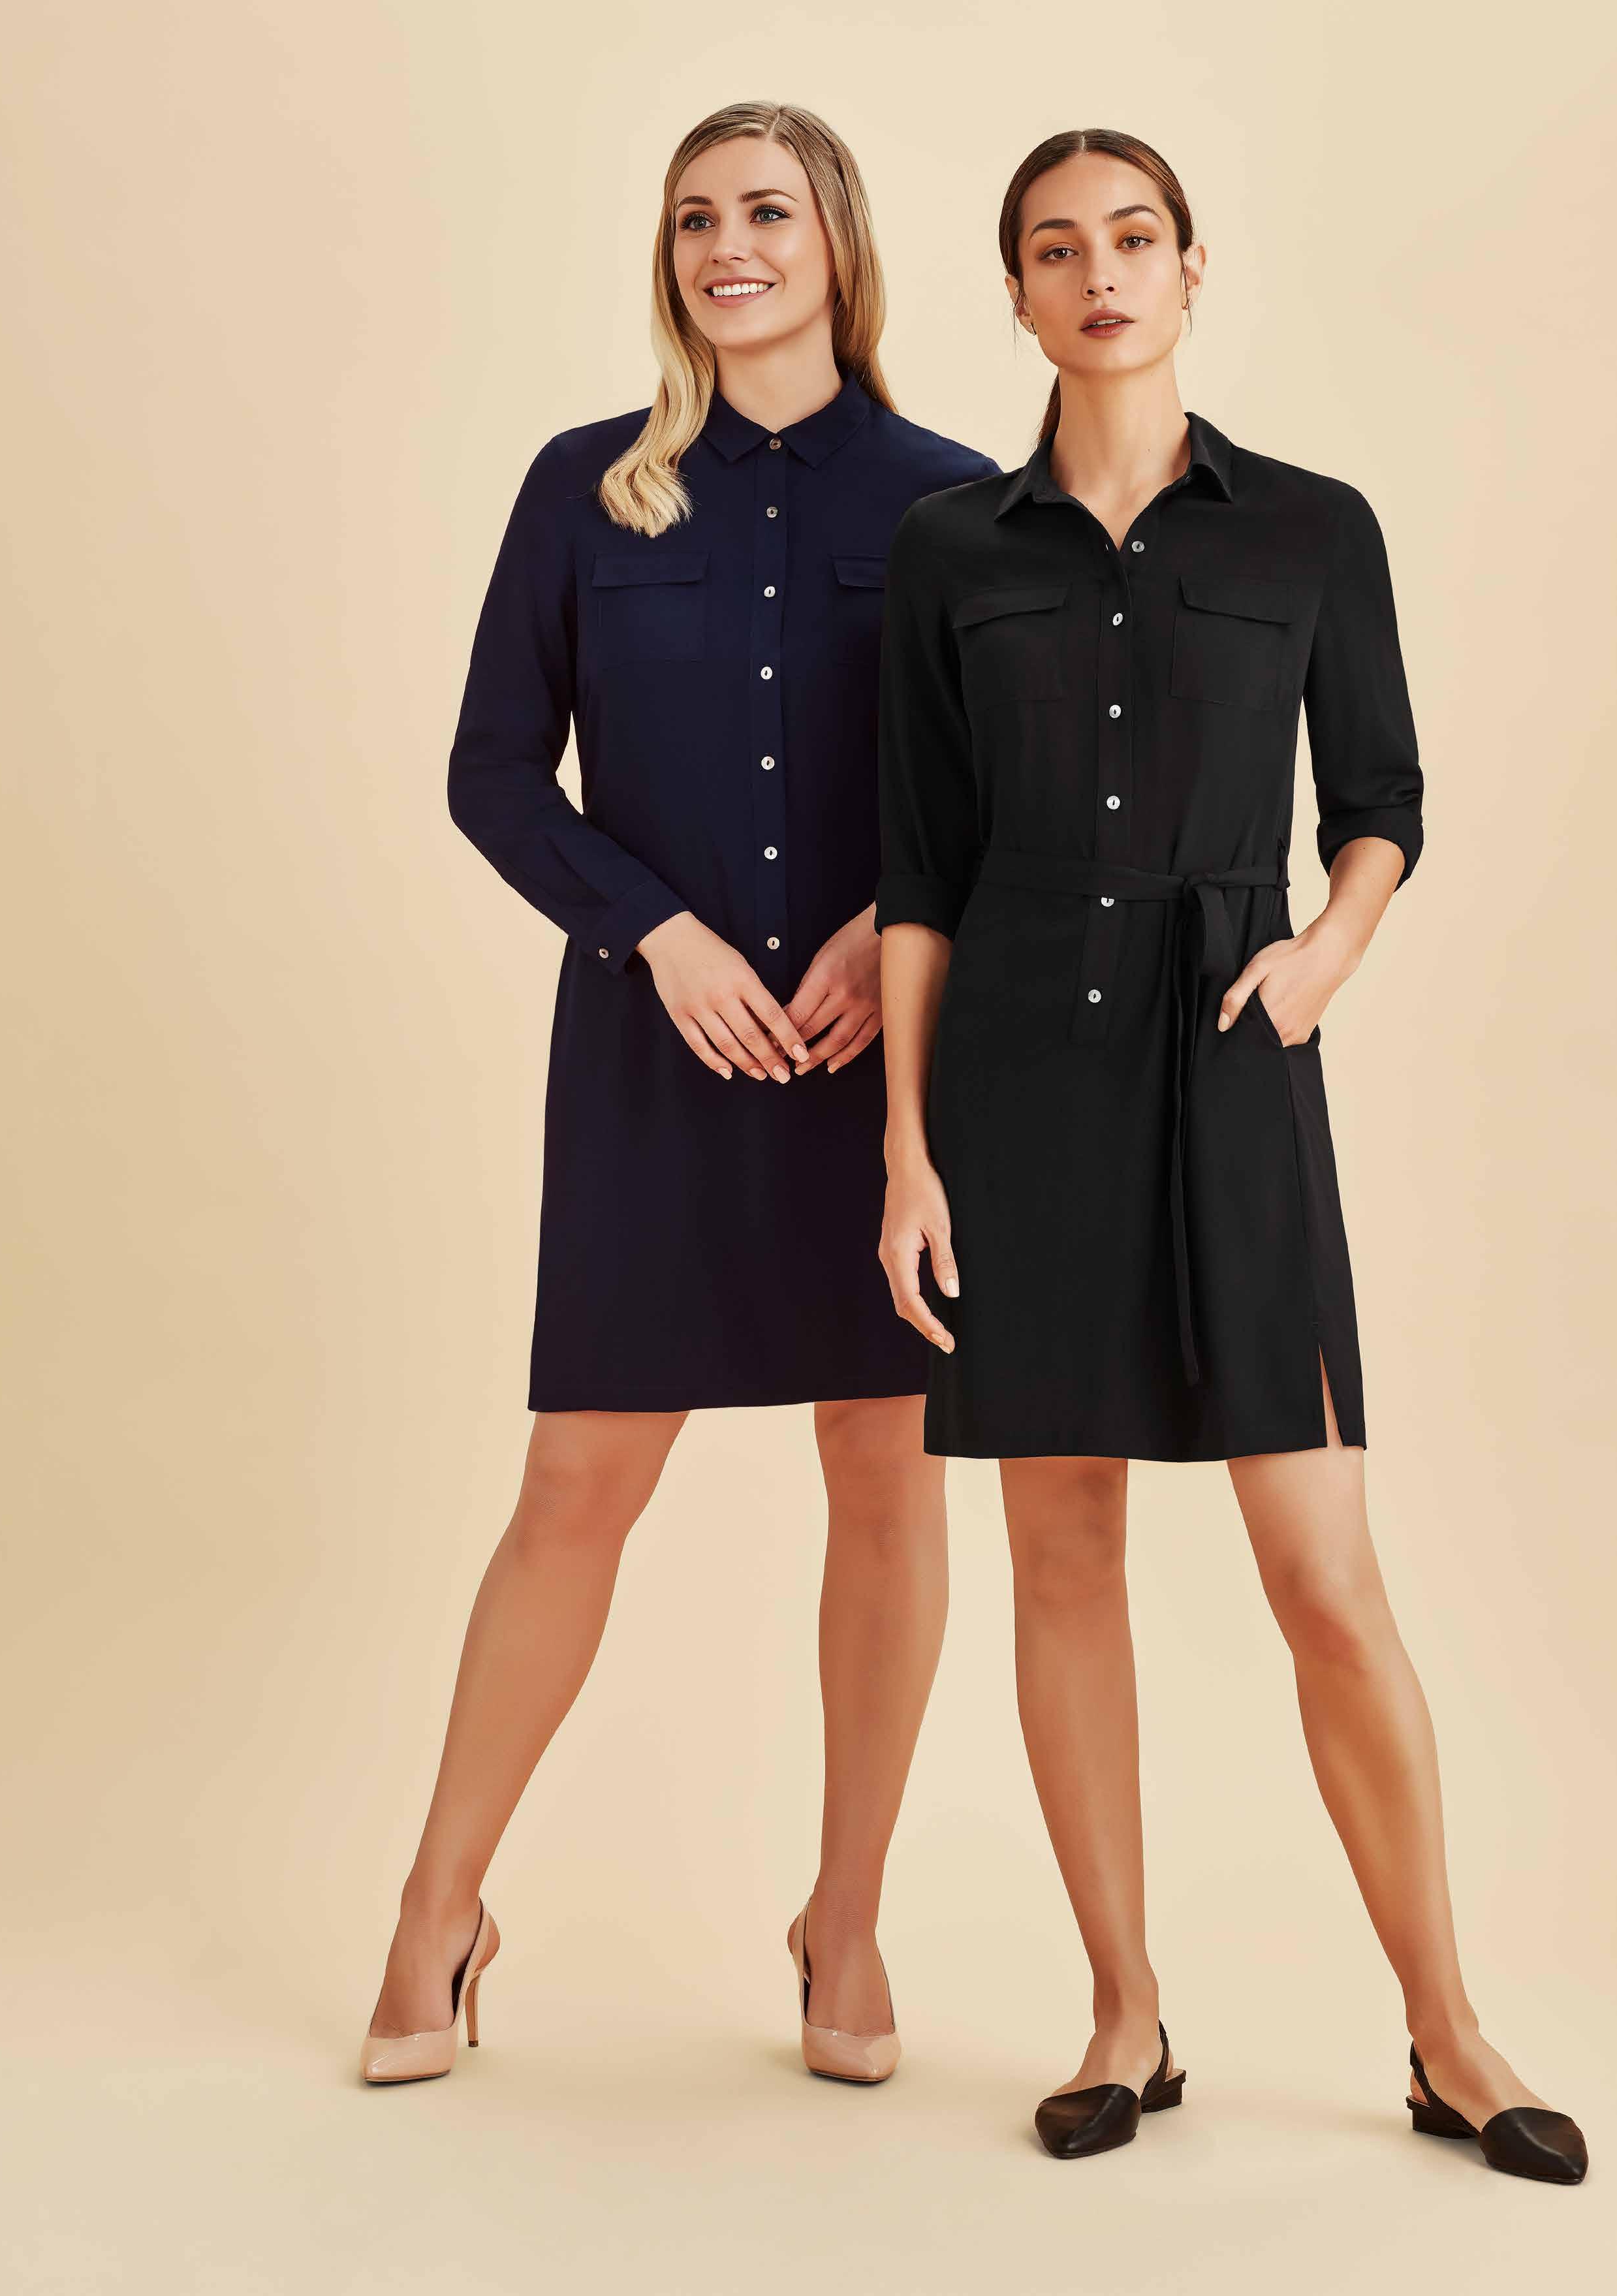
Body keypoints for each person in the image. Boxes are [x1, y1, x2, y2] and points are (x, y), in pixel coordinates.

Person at [873, 126, 1586, 2182]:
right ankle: (1122, 2014)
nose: (1096, 275)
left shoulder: (1307, 528)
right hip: (1013, 1076)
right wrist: (906, 1152)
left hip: (1228, 1063)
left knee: (1324, 1573)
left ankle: (1446, 2031)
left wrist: (1322, 955)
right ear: (1015, 296)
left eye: (1131, 239)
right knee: (1061, 1551)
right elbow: (917, 866)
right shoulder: (948, 551)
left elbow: (1379, 795)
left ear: (1190, 270)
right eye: (1053, 249)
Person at [355, 101, 997, 2090]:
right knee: (575, 1483)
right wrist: (655, 932)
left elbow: (1009, 795)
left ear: (837, 242)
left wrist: (886, 923)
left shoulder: (957, 503)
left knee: (886, 1475)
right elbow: (490, 771)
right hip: (655, 1054)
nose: (729, 246)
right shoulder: (584, 489)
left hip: (881, 1068)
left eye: (767, 212)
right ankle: (440, 1909)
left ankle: (844, 1918)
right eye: (697, 216)